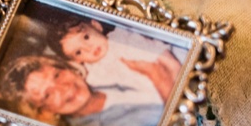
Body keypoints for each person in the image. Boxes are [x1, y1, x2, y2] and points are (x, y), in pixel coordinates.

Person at [0, 53, 171, 126]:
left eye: (57, 75)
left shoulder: (108, 76)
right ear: (44, 113)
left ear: (68, 68)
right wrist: (161, 80)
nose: (63, 87)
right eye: (48, 95)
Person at [49, 16, 180, 109]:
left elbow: (162, 54)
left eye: (86, 37)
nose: (88, 48)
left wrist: (177, 76)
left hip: (172, 71)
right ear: (76, 60)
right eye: (78, 52)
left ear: (96, 26)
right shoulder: (93, 70)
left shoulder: (122, 38)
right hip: (154, 97)